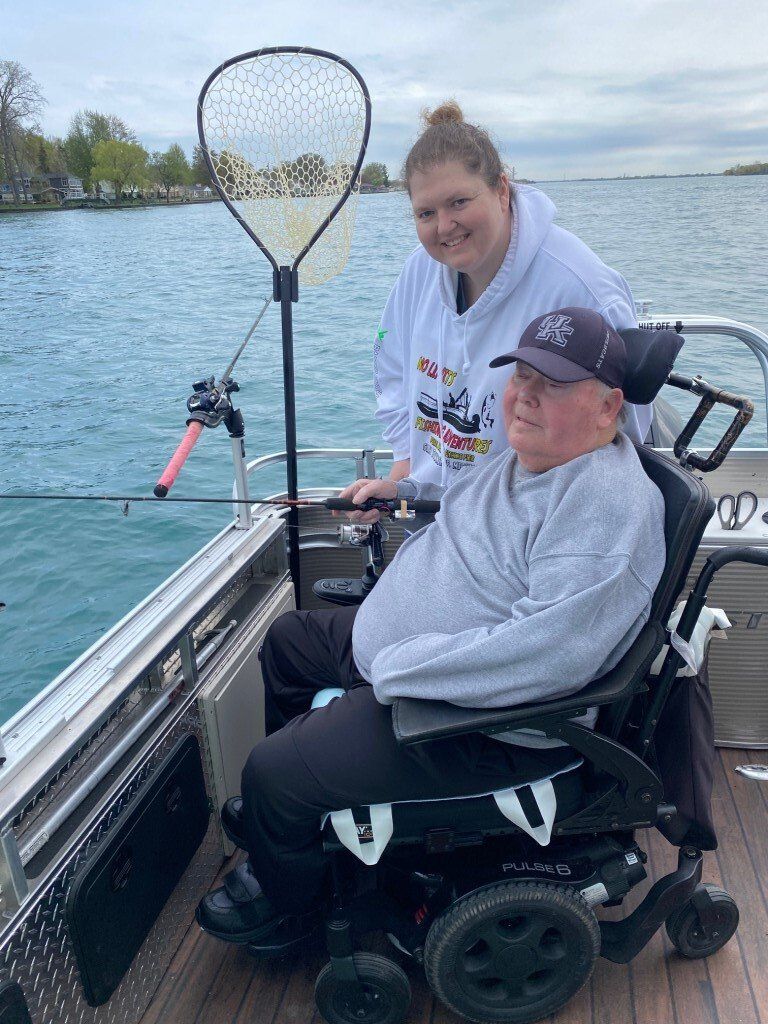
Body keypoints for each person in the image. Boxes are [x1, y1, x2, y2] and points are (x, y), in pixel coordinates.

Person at [196, 307, 665, 946]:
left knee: (273, 772)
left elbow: (552, 655)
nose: (524, 396)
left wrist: (398, 669)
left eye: (552, 384)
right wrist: (405, 489)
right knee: (289, 642)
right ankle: (300, 824)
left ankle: (288, 903)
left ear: (610, 407)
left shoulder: (605, 508)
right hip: (406, 662)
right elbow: (463, 506)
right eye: (520, 373)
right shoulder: (535, 454)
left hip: (489, 722)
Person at [342, 101, 649, 524]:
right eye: (426, 213)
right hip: (434, 519)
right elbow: (391, 367)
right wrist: (405, 469)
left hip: (533, 527)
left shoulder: (581, 288)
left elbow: (623, 429)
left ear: (502, 190)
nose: (445, 227)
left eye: (459, 202)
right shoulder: (418, 270)